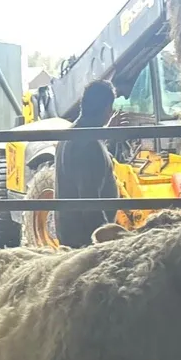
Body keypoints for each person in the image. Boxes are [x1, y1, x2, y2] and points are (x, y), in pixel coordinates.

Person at [55, 80, 119, 248]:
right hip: (85, 239)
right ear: (106, 108)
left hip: (71, 231)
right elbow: (90, 202)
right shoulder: (89, 145)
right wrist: (107, 239)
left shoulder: (72, 134)